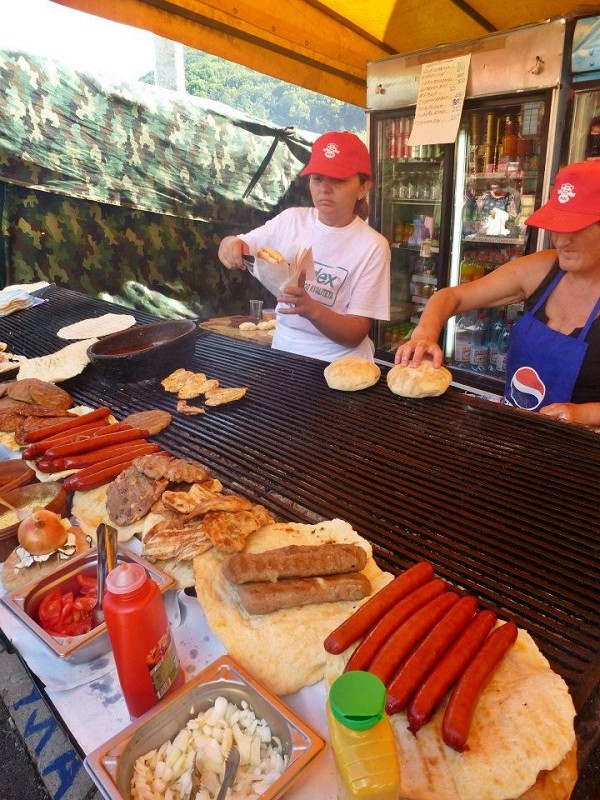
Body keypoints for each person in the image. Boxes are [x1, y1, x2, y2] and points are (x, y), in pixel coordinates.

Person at [395, 159, 600, 428]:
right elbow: (451, 297)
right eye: (557, 226)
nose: (561, 240)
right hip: (515, 431)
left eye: (577, 227)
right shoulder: (541, 270)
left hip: (579, 453)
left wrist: (583, 415)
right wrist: (424, 335)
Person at [218, 131, 390, 362]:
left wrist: (311, 309)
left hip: (341, 363)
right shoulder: (291, 220)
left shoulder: (373, 246)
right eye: (317, 178)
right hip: (284, 354)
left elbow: (356, 332)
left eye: (338, 179)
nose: (324, 188)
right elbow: (237, 244)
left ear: (363, 188)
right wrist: (229, 244)